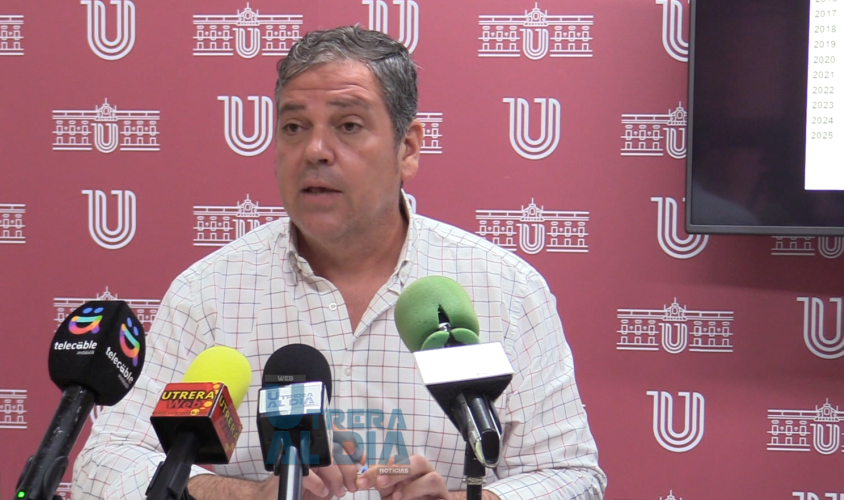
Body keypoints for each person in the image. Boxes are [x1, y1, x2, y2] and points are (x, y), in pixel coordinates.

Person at [72, 26, 606, 500]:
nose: (315, 151)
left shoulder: (505, 291)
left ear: (407, 148)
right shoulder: (209, 292)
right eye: (294, 127)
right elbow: (105, 468)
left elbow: (571, 476)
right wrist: (246, 496)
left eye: (348, 126)